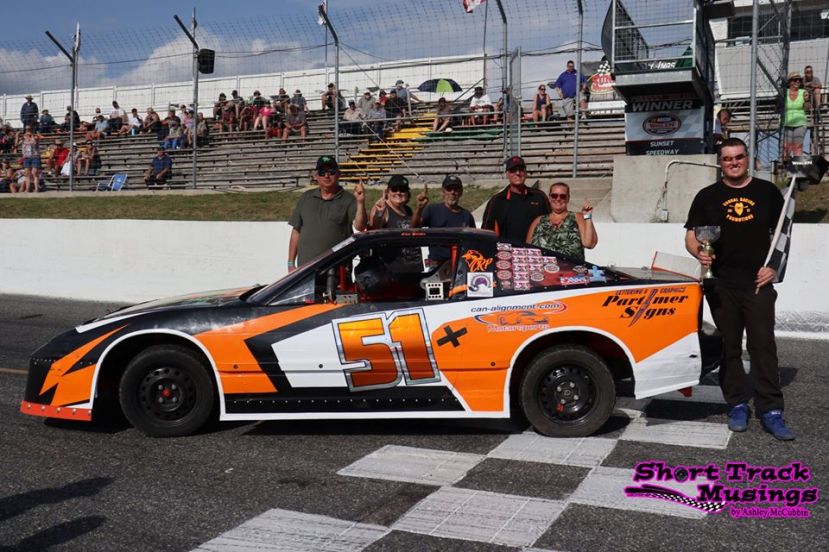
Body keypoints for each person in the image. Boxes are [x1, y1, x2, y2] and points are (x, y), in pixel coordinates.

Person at [684, 137, 793, 441]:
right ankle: (737, 404)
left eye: (739, 157)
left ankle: (771, 410)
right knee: (729, 347)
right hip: (721, 285)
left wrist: (774, 267)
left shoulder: (767, 192)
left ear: (747, 158)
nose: (734, 162)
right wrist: (699, 253)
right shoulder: (707, 196)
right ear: (721, 162)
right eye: (728, 158)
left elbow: (782, 236)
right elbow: (691, 236)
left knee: (762, 345)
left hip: (758, 284)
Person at [287, 156, 367, 270]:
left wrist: (360, 203)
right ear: (316, 176)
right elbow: (296, 231)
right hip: (306, 271)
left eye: (331, 172)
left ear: (339, 174)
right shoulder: (306, 197)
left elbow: (360, 226)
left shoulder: (349, 199)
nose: (326, 175)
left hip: (337, 270)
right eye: (322, 172)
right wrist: (290, 263)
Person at [482, 156, 550, 243]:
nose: (518, 173)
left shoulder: (539, 197)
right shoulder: (497, 201)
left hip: (534, 249)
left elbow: (550, 224)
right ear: (507, 174)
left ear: (525, 172)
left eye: (521, 169)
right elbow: (486, 232)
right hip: (505, 250)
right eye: (513, 170)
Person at [412, 175, 476, 266]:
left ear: (461, 192)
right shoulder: (432, 210)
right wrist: (419, 208)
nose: (452, 192)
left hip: (460, 265)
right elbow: (414, 227)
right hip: (436, 265)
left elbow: (474, 242)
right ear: (443, 191)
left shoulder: (467, 215)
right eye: (449, 189)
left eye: (456, 189)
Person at [525, 182, 597, 261]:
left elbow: (589, 244)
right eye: (554, 195)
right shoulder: (538, 221)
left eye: (563, 196)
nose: (558, 199)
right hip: (543, 268)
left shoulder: (578, 217)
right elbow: (528, 250)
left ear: (568, 198)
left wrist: (588, 216)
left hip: (571, 268)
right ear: (549, 198)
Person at [783, 71, 810, 160]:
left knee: (797, 147)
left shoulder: (803, 92)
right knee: (786, 147)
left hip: (800, 123)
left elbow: (807, 109)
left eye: (799, 80)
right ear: (790, 82)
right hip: (786, 123)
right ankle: (785, 166)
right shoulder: (784, 93)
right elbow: (779, 107)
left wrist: (806, 100)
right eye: (795, 80)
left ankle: (797, 166)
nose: (797, 81)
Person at [19, 127, 42, 192]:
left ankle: (36, 189)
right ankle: (27, 189)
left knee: (34, 173)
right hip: (27, 158)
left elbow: (35, 142)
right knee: (27, 174)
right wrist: (18, 136)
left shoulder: (35, 137)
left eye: (29, 129)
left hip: (35, 157)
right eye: (26, 129)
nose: (27, 131)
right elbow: (17, 144)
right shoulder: (23, 139)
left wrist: (31, 135)